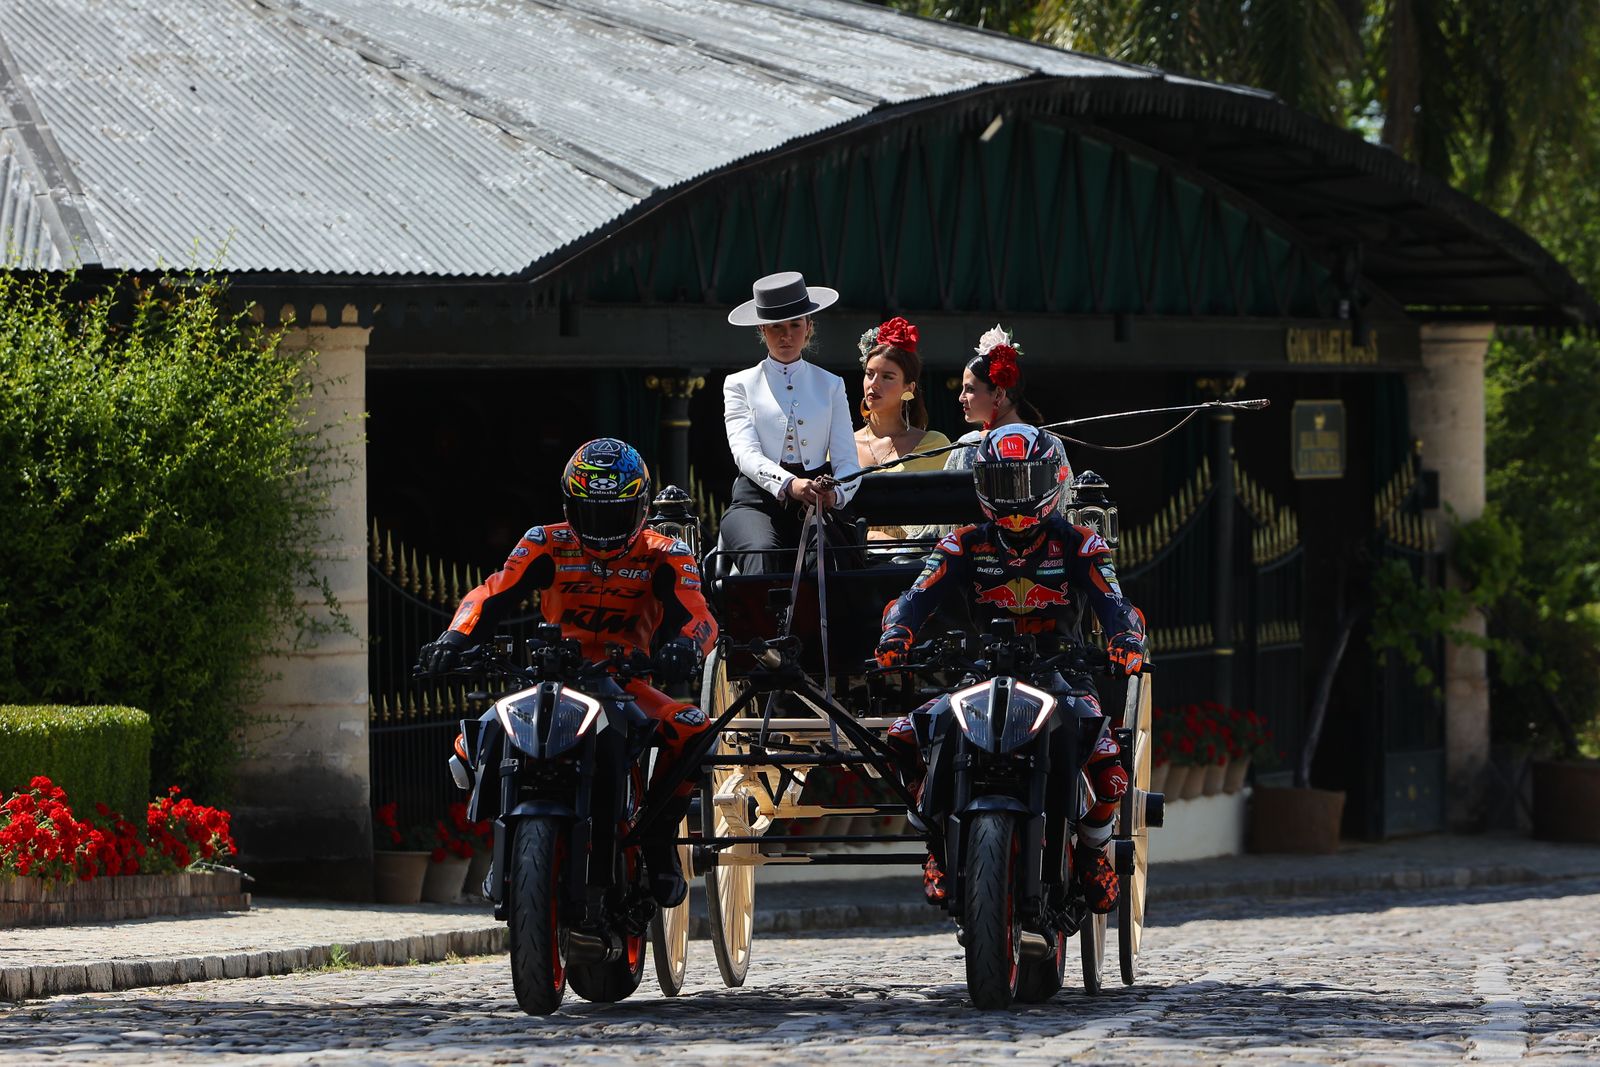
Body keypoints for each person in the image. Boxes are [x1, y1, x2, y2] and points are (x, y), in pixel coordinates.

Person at [414, 438, 716, 908]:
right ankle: (505, 845)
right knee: (476, 736)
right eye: (588, 513)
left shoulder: (667, 552)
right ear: (567, 506)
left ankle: (657, 840)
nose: (600, 529)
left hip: (624, 682)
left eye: (614, 515)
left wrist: (684, 646)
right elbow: (490, 593)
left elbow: (699, 615)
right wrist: (453, 639)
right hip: (547, 679)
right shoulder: (543, 540)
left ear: (640, 507)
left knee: (692, 730)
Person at [873, 424, 1146, 913]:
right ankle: (935, 844)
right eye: (1002, 484)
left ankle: (1090, 851)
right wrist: (897, 633)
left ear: (1052, 480)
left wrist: (1126, 639)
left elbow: (1115, 604)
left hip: (1063, 677)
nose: (1014, 501)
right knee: (902, 740)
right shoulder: (959, 546)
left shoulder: (1082, 545)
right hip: (978, 676)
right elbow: (912, 600)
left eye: (1025, 483)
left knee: (1108, 773)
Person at [720, 271, 862, 574]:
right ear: (762, 329)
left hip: (817, 498)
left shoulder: (831, 384)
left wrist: (835, 494)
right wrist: (788, 483)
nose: (786, 335)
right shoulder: (739, 384)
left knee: (827, 559)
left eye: (795, 325)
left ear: (808, 327)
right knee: (762, 554)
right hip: (756, 502)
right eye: (776, 327)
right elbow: (745, 452)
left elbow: (848, 460)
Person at [944, 325, 1075, 501]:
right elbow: (1066, 508)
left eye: (969, 389)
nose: (961, 397)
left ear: (998, 393)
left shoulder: (969, 445)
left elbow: (948, 514)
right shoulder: (1052, 443)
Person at [852, 316, 952, 542]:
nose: (874, 383)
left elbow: (947, 518)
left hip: (914, 563)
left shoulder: (935, 445)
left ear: (909, 388)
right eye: (869, 374)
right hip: (851, 560)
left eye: (887, 377)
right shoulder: (841, 444)